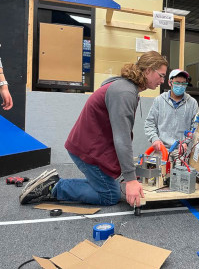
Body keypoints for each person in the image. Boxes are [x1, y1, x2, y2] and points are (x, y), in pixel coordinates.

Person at [19, 51, 169, 207]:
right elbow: (122, 137)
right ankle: (54, 187)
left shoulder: (125, 87)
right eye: (161, 75)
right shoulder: (125, 92)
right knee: (110, 195)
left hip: (88, 145)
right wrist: (130, 179)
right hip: (86, 149)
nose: (162, 81)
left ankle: (54, 183)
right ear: (148, 71)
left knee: (108, 185)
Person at [144, 69, 199, 153]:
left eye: (183, 83)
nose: (180, 86)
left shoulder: (192, 103)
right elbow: (149, 123)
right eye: (177, 82)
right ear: (170, 83)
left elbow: (196, 127)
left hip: (182, 152)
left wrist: (187, 143)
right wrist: (155, 139)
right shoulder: (159, 100)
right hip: (161, 150)